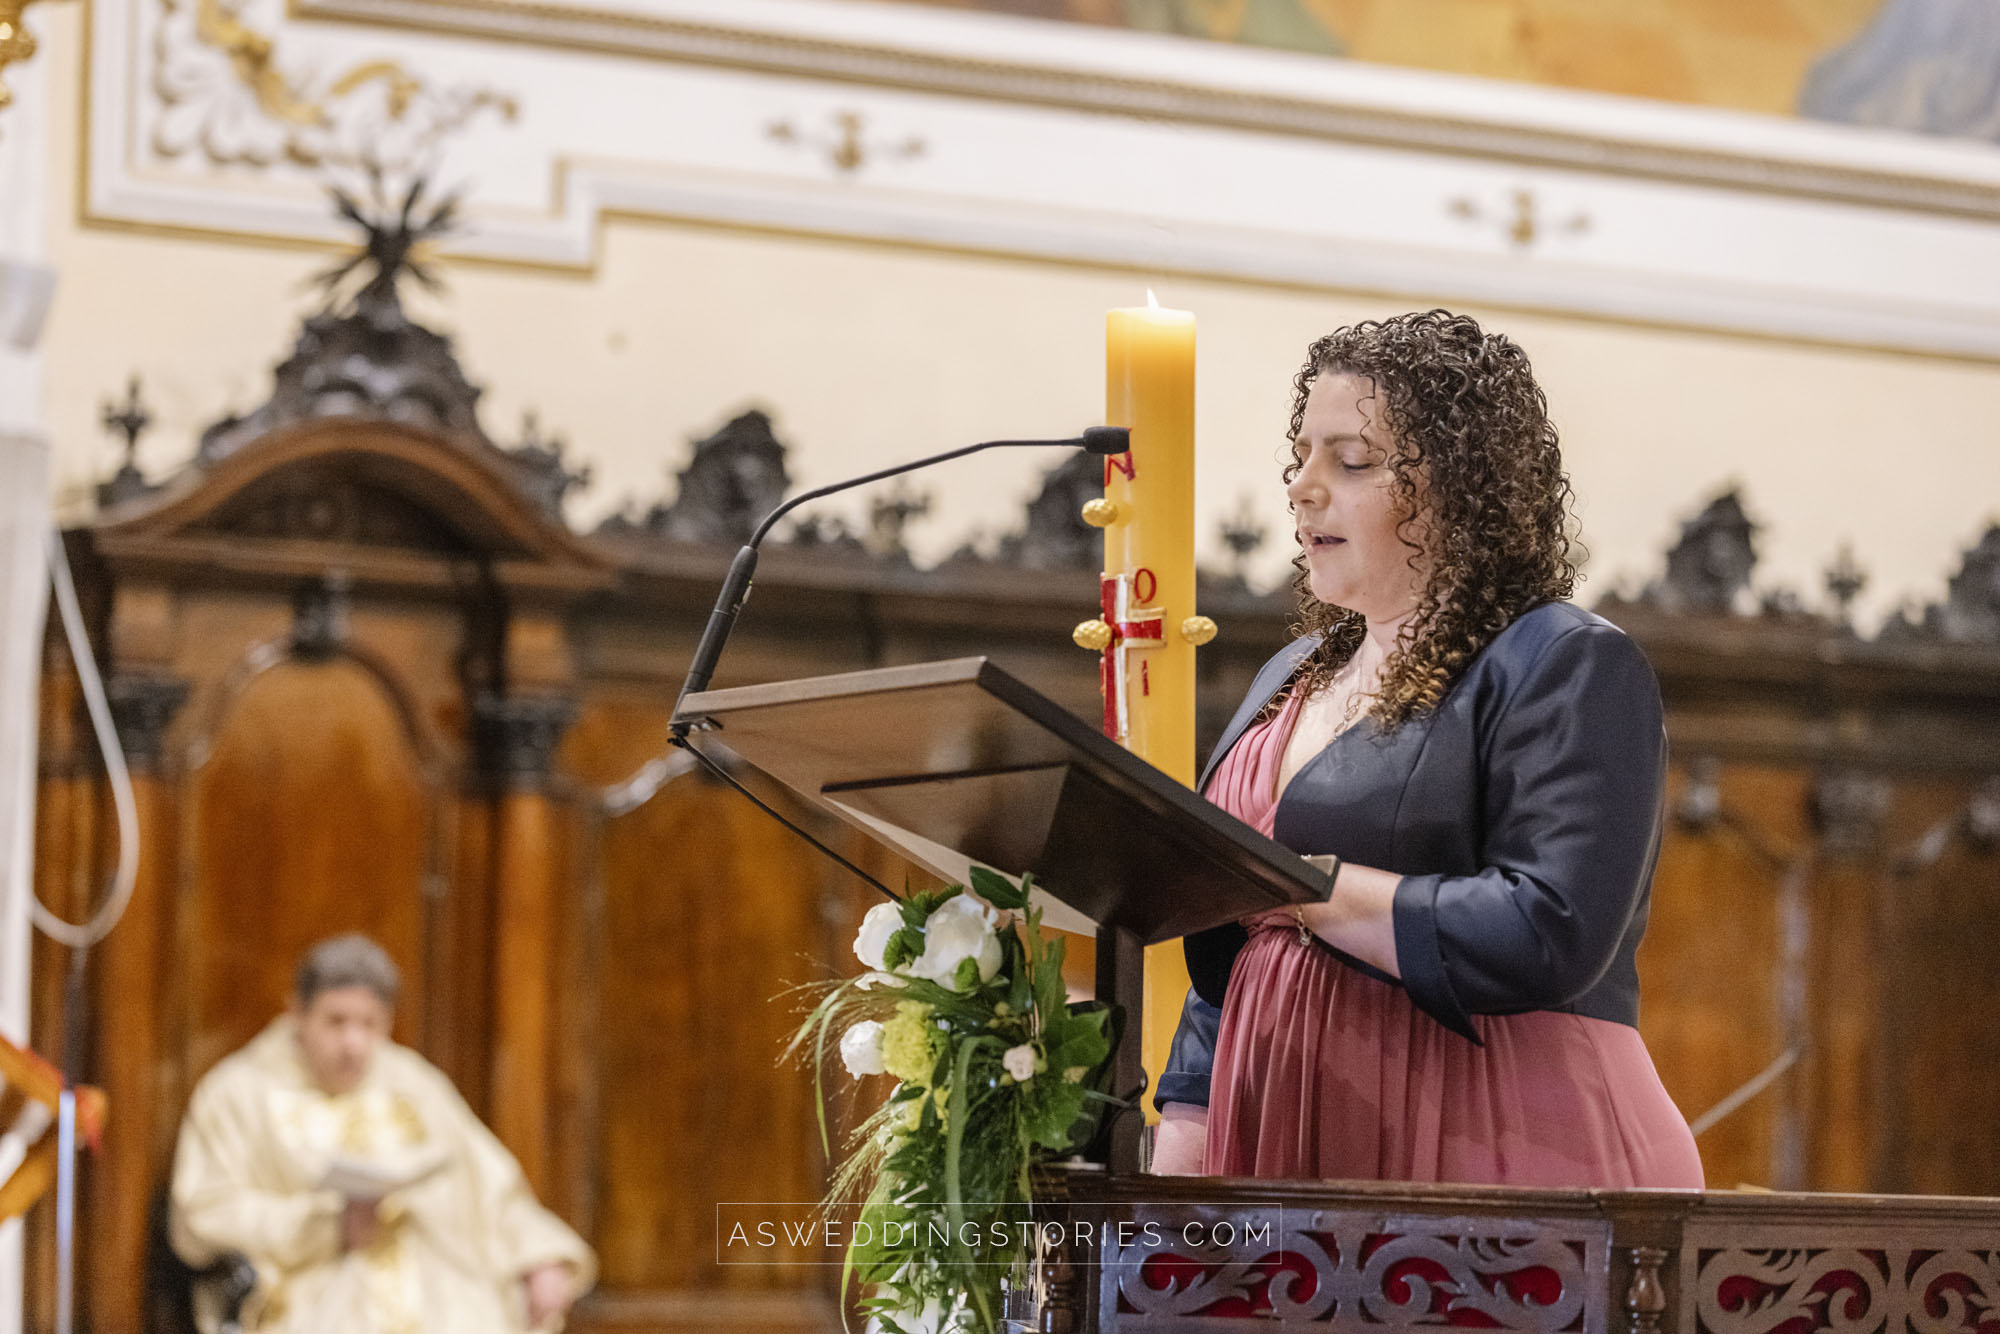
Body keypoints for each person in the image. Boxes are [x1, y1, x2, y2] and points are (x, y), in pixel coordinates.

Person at [1151, 310, 1703, 1188]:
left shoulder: (1560, 661)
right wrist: (1185, 1133)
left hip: (1493, 1136)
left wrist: (1308, 888)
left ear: (1457, 486)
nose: (1301, 486)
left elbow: (1548, 930)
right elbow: (1234, 944)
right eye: (1300, 456)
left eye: (1352, 460)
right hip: (1280, 1141)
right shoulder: (1290, 675)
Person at [170, 934, 597, 1332]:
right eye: (336, 1022)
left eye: (370, 1024)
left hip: (437, 1289)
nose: (354, 1044)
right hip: (313, 1290)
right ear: (296, 1012)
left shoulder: (412, 1082)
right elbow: (201, 1215)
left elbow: (492, 1188)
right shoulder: (238, 1093)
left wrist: (541, 1259)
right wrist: (325, 1227)